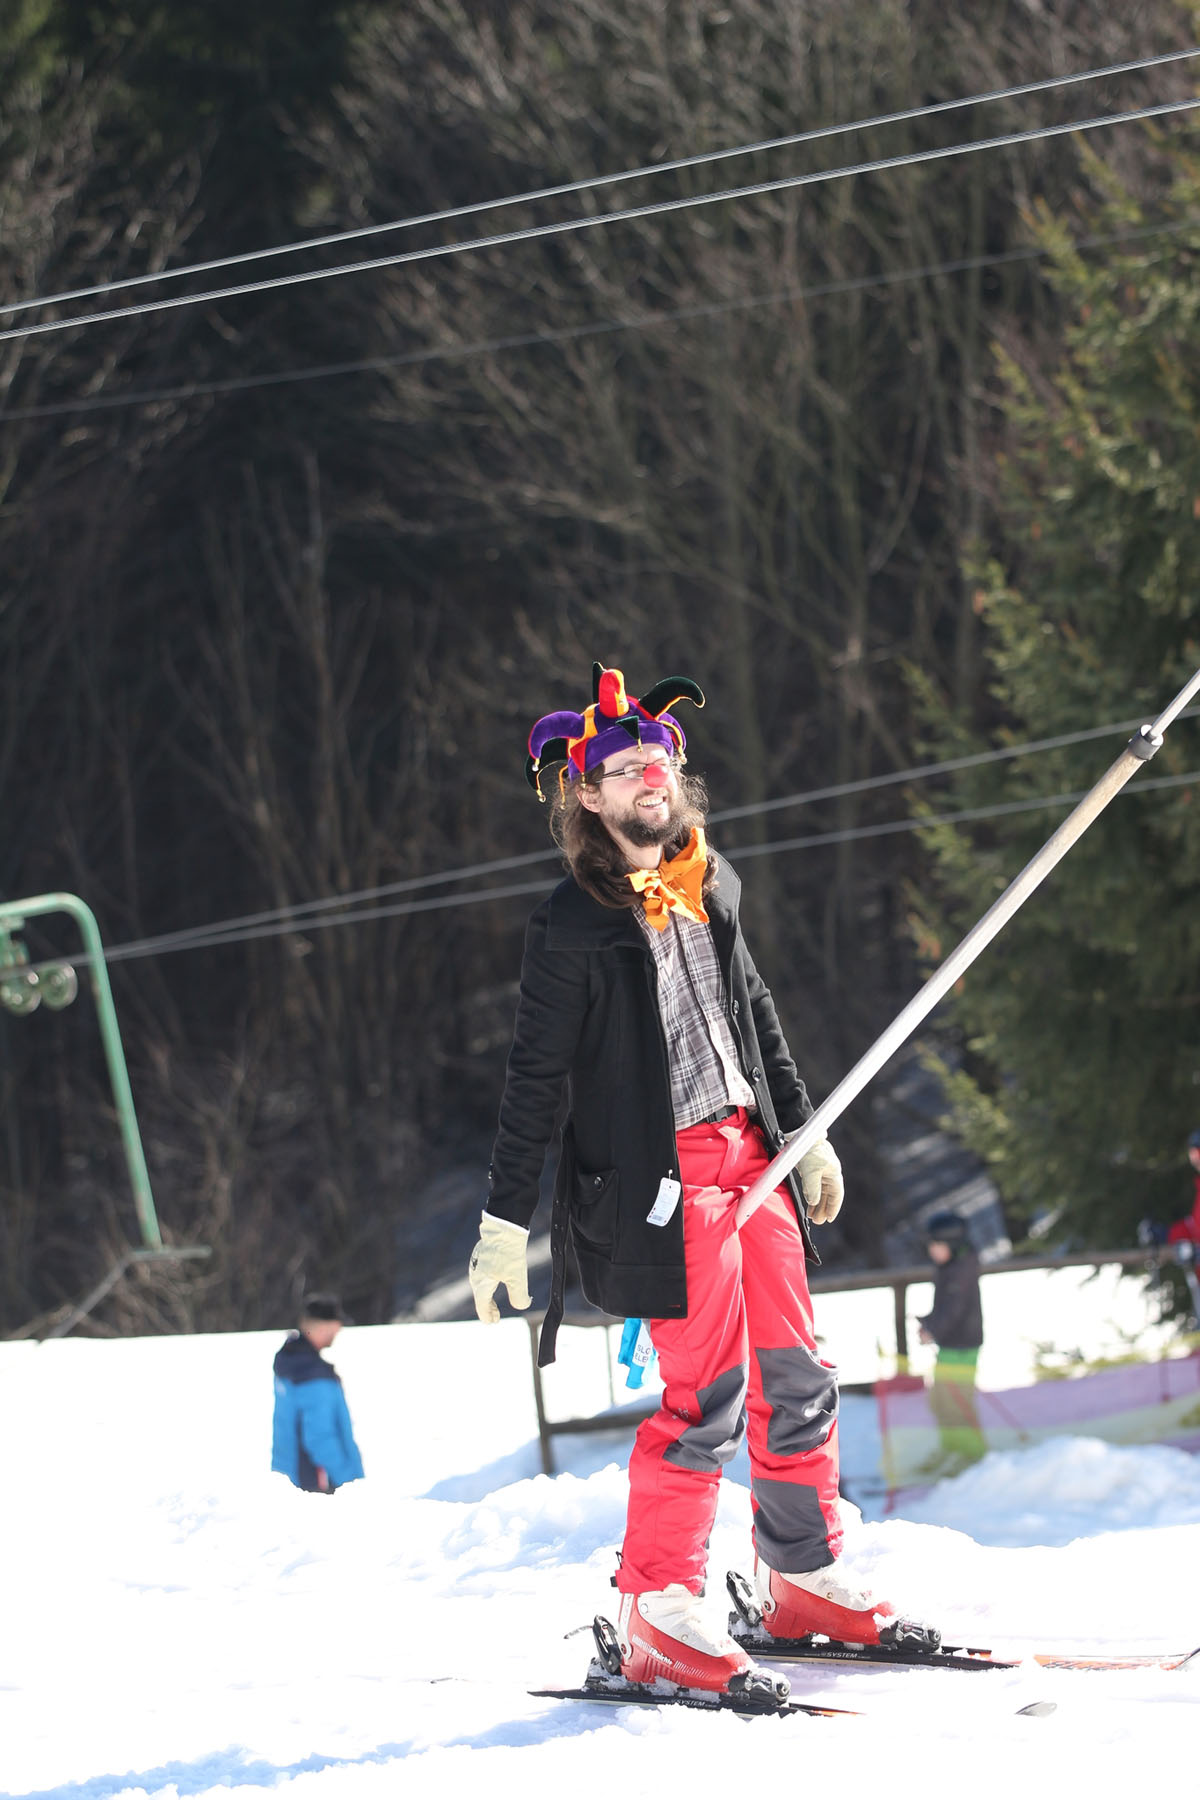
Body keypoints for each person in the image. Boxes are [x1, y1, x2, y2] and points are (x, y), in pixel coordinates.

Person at [468, 663, 935, 1702]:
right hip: (663, 1184)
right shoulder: (570, 925)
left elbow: (755, 1014)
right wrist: (503, 1222)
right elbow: (533, 1082)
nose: (651, 777)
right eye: (627, 767)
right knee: (706, 1394)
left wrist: (803, 1134)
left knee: (798, 1371)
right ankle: (656, 1608)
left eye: (660, 760)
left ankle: (800, 1576)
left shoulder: (710, 882)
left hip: (751, 1156)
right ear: (589, 797)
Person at [271, 1293, 365, 1494]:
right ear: (324, 1326)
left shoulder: (290, 1361)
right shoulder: (312, 1375)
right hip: (316, 1487)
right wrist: (351, 1484)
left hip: (289, 1479)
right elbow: (320, 1439)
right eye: (337, 1325)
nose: (338, 1331)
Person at [916, 1211, 985, 1471]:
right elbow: (945, 1306)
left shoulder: (960, 1270)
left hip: (962, 1345)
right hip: (950, 1344)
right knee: (940, 1400)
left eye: (937, 1245)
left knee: (957, 1402)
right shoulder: (951, 1267)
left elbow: (954, 1309)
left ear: (953, 1245)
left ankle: (972, 1454)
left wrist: (933, 1329)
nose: (932, 1251)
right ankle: (952, 1448)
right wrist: (929, 1322)